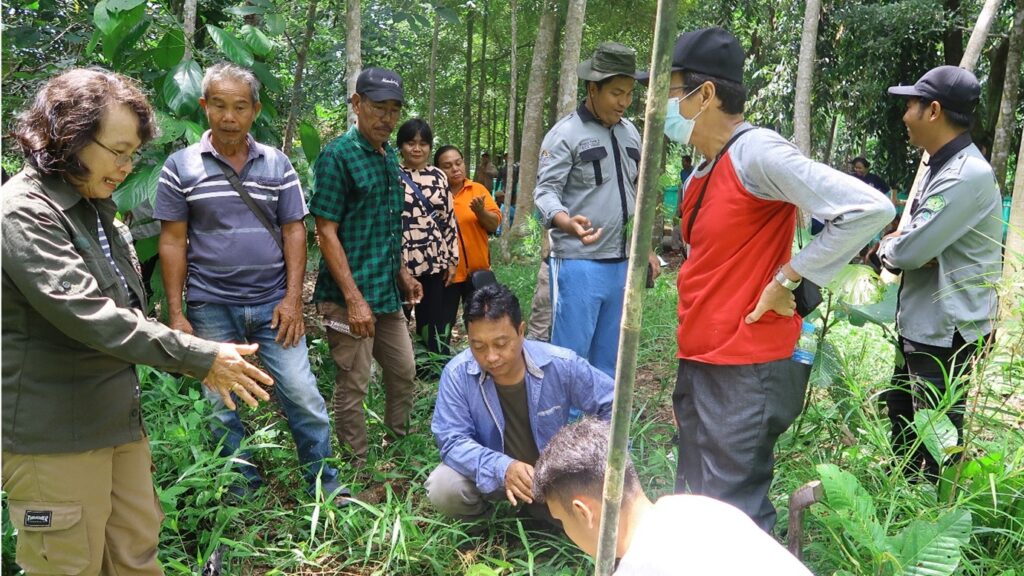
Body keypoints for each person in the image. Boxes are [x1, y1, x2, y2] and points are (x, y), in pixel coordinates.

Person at [2, 67, 273, 575]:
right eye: (117, 151)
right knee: (68, 566)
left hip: (117, 423)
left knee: (134, 557)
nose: (127, 167)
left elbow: (129, 311)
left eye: (133, 155)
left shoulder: (96, 207)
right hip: (56, 436)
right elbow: (91, 316)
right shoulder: (25, 212)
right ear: (71, 135)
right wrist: (200, 356)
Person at [662, 27, 894, 532]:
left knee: (735, 517)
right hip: (701, 359)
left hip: (744, 368)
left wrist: (789, 278)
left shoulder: (756, 153)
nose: (664, 102)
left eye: (672, 89)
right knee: (698, 501)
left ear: (705, 95)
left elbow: (869, 208)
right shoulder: (703, 169)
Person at [156, 62, 347, 502]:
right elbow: (173, 240)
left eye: (239, 107)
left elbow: (295, 229)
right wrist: (177, 313)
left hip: (273, 304)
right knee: (220, 404)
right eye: (219, 105)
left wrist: (292, 299)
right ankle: (240, 490)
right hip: (210, 305)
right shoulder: (180, 166)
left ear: (255, 111)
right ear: (204, 106)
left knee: (302, 393)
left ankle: (325, 484)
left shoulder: (277, 164)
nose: (229, 117)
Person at [879, 65, 1002, 479]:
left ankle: (933, 518)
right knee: (902, 414)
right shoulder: (941, 165)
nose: (904, 115)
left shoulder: (966, 174)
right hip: (924, 321)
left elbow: (911, 251)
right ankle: (904, 503)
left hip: (946, 329)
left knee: (935, 436)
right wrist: (910, 244)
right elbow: (916, 244)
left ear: (933, 111)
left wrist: (889, 246)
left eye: (910, 105)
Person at [310, 67, 423, 466]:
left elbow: (386, 224)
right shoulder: (338, 156)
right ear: (357, 105)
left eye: (394, 110)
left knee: (404, 371)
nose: (387, 118)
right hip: (348, 298)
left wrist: (403, 274)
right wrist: (353, 299)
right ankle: (357, 464)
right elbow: (325, 231)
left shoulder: (388, 154)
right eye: (378, 107)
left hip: (385, 292)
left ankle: (399, 446)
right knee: (354, 383)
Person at [425, 283, 614, 521]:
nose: (491, 356)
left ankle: (543, 512)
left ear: (521, 331)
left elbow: (611, 402)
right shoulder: (457, 374)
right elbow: (451, 440)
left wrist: (597, 461)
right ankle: (487, 527)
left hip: (553, 475)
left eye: (501, 344)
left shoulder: (560, 365)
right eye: (478, 346)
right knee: (444, 487)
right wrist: (502, 468)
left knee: (581, 518)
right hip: (491, 476)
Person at [533, 418, 814, 575]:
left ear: (584, 512)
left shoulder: (642, 569)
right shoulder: (694, 508)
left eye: (562, 521)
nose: (566, 532)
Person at [533, 41, 659, 379]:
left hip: (621, 265)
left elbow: (636, 195)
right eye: (617, 92)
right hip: (578, 264)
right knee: (570, 360)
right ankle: (566, 430)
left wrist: (644, 249)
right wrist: (565, 221)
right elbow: (544, 192)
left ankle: (601, 429)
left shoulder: (630, 133)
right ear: (593, 88)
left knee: (609, 362)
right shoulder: (565, 135)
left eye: (630, 93)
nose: (625, 102)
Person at [396, 118, 460, 367]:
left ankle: (429, 371)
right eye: (410, 142)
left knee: (431, 319)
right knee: (398, 319)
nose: (416, 148)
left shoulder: (438, 177)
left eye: (423, 143)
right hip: (401, 262)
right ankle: (398, 370)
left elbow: (449, 219)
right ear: (401, 146)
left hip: (434, 260)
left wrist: (452, 259)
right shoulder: (392, 174)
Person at [434, 144, 502, 306]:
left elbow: (494, 225)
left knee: (481, 326)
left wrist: (480, 212)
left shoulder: (477, 190)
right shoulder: (433, 194)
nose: (455, 169)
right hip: (445, 275)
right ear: (437, 170)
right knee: (441, 328)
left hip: (477, 274)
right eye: (447, 166)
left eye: (458, 163)